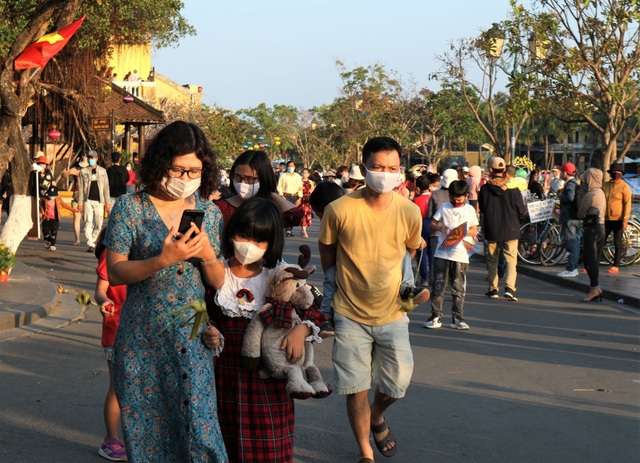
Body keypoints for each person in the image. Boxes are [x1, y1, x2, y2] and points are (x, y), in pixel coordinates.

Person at [104, 121, 228, 462]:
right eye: (179, 169)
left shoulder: (210, 213)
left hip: (192, 327)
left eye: (195, 170)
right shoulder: (129, 208)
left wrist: (207, 256)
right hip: (142, 333)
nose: (187, 178)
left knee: (200, 425)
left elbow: (218, 283)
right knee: (147, 428)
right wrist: (162, 260)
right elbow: (116, 272)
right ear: (161, 164)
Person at [319, 136, 423, 462]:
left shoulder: (409, 212)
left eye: (391, 168)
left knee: (398, 383)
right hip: (349, 314)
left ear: (400, 171)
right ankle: (366, 452)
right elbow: (328, 252)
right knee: (355, 388)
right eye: (377, 167)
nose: (384, 173)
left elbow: (408, 253)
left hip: (393, 314)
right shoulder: (339, 209)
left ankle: (378, 414)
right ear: (363, 167)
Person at [203, 197, 324, 463]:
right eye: (243, 236)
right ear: (231, 232)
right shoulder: (215, 273)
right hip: (223, 375)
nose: (249, 246)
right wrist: (208, 331)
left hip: (268, 381)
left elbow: (315, 312)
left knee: (268, 448)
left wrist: (301, 330)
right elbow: (201, 314)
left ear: (271, 243)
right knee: (223, 443)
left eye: (259, 241)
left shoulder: (281, 274)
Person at [424, 180, 479, 329]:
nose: (455, 201)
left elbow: (475, 230)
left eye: (459, 199)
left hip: (460, 254)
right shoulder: (444, 207)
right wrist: (440, 227)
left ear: (466, 196)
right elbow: (432, 223)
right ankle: (435, 316)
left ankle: (457, 318)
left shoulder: (469, 210)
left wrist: (461, 233)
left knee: (458, 287)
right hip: (442, 253)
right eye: (453, 198)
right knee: (438, 285)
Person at [93, 228, 128, 462]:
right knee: (118, 387)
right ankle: (110, 440)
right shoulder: (112, 253)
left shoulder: (148, 252)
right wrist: (105, 301)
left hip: (146, 330)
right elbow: (100, 291)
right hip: (117, 329)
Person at [214, 150, 302, 235]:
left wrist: (271, 195)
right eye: (238, 177)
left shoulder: (269, 209)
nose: (242, 183)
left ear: (263, 179)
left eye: (250, 179)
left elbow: (296, 216)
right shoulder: (220, 209)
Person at [478, 156, 527, 301]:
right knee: (511, 260)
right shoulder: (514, 189)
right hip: (511, 228)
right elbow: (521, 210)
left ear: (490, 170)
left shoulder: (485, 189)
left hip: (492, 228)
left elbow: (483, 208)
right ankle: (510, 288)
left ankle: (493, 288)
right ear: (504, 170)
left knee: (492, 260)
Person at [578, 168, 606, 302]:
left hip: (591, 229)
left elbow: (580, 213)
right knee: (594, 259)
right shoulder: (601, 192)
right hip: (601, 228)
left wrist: (581, 194)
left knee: (589, 260)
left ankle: (594, 287)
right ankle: (595, 287)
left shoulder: (590, 195)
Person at [602, 163, 632, 274]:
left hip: (618, 218)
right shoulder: (605, 185)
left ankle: (616, 265)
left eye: (618, 173)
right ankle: (594, 262)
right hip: (606, 218)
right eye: (614, 173)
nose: (615, 175)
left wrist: (625, 220)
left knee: (617, 243)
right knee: (601, 241)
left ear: (621, 174)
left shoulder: (624, 187)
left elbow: (627, 204)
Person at [556, 162, 582, 278]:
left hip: (570, 218)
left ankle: (571, 268)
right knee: (574, 242)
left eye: (562, 171)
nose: (560, 173)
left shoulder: (570, 184)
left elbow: (570, 197)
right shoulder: (574, 183)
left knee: (572, 243)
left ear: (565, 172)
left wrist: (560, 196)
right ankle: (572, 267)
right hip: (574, 217)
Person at [61, 155, 89, 245]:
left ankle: (91, 240)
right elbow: (63, 175)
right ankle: (77, 239)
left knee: (89, 219)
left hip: (88, 197)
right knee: (76, 218)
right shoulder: (76, 170)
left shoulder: (91, 171)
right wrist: (70, 172)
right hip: (77, 195)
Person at [40, 185, 77, 251]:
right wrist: (42, 211)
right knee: (45, 233)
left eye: (53, 195)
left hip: (55, 219)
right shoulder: (44, 199)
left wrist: (73, 209)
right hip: (46, 218)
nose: (51, 197)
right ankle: (49, 240)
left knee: (54, 231)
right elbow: (40, 206)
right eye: (50, 195)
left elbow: (65, 205)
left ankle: (52, 245)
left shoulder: (58, 199)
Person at [28, 153, 53, 239]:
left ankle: (44, 231)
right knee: (34, 214)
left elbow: (46, 185)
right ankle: (34, 232)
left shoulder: (49, 173)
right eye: (40, 164)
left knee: (44, 214)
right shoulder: (34, 173)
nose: (42, 165)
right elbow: (32, 184)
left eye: (43, 164)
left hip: (45, 197)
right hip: (35, 195)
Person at [412, 174, 431, 286]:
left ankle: (425, 277)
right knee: (432, 253)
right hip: (432, 224)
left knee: (422, 252)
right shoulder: (433, 197)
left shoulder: (416, 200)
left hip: (421, 225)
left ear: (418, 187)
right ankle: (433, 276)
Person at [277, 160, 303, 236]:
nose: (291, 168)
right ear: (287, 167)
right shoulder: (283, 176)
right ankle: (287, 230)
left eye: (292, 166)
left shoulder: (298, 177)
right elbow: (279, 187)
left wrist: (300, 198)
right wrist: (281, 196)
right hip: (286, 196)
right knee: (286, 213)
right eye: (289, 166)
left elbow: (300, 187)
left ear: (294, 167)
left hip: (295, 196)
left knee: (293, 213)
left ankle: (290, 229)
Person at [300, 167, 315, 237]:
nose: (304, 174)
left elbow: (313, 190)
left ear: (309, 174)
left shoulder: (310, 182)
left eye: (306, 173)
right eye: (303, 172)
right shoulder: (299, 181)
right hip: (301, 199)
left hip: (308, 200)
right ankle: (304, 230)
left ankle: (304, 229)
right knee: (302, 214)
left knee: (307, 215)